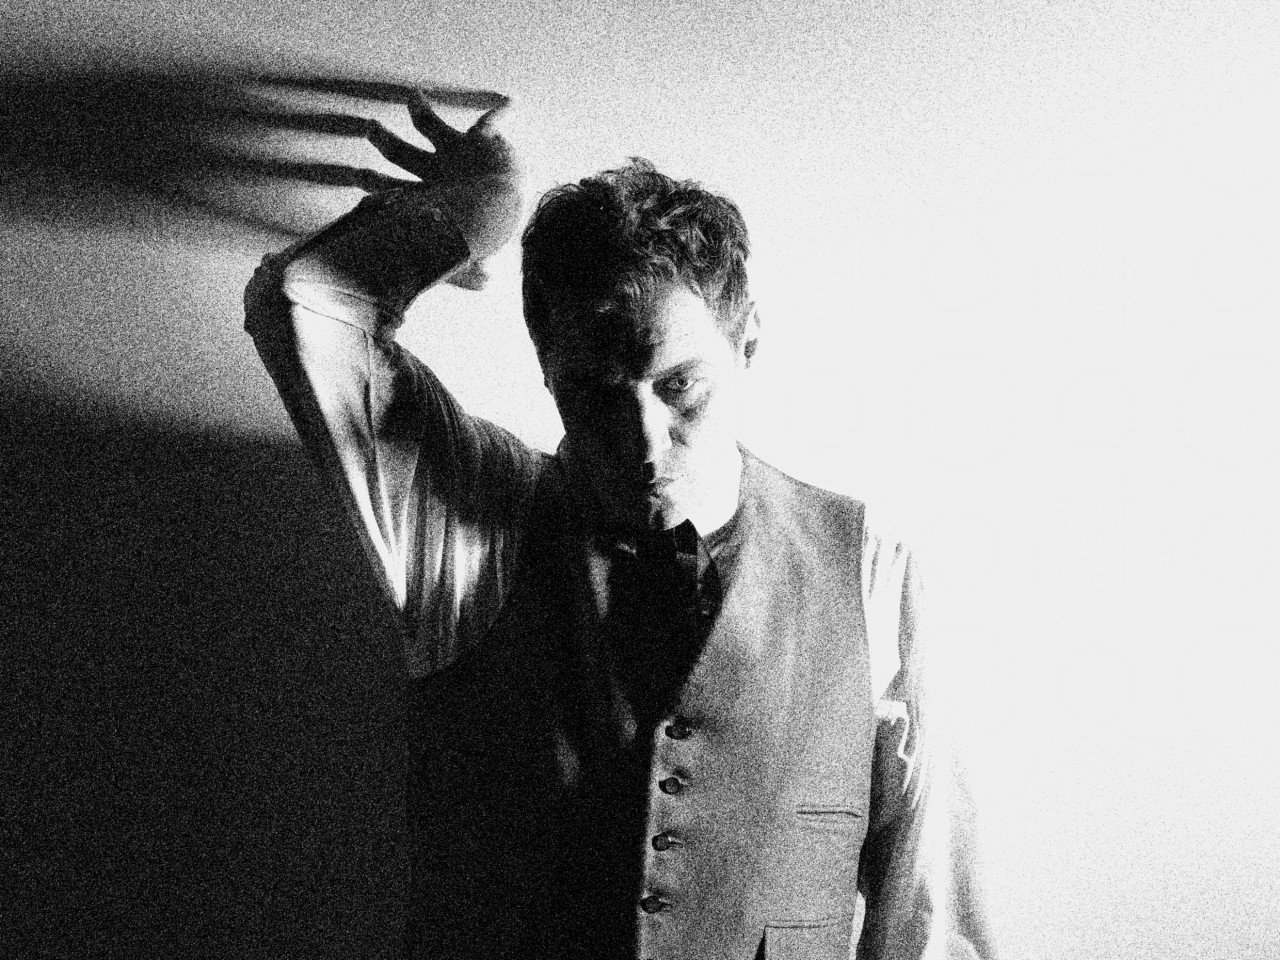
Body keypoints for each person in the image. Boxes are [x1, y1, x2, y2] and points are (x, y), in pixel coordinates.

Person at [244, 87, 998, 960]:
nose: (642, 442)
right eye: (596, 394)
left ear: (747, 344)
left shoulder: (873, 570)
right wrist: (469, 218)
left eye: (680, 385)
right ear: (546, 370)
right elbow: (306, 305)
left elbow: (933, 918)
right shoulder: (470, 519)